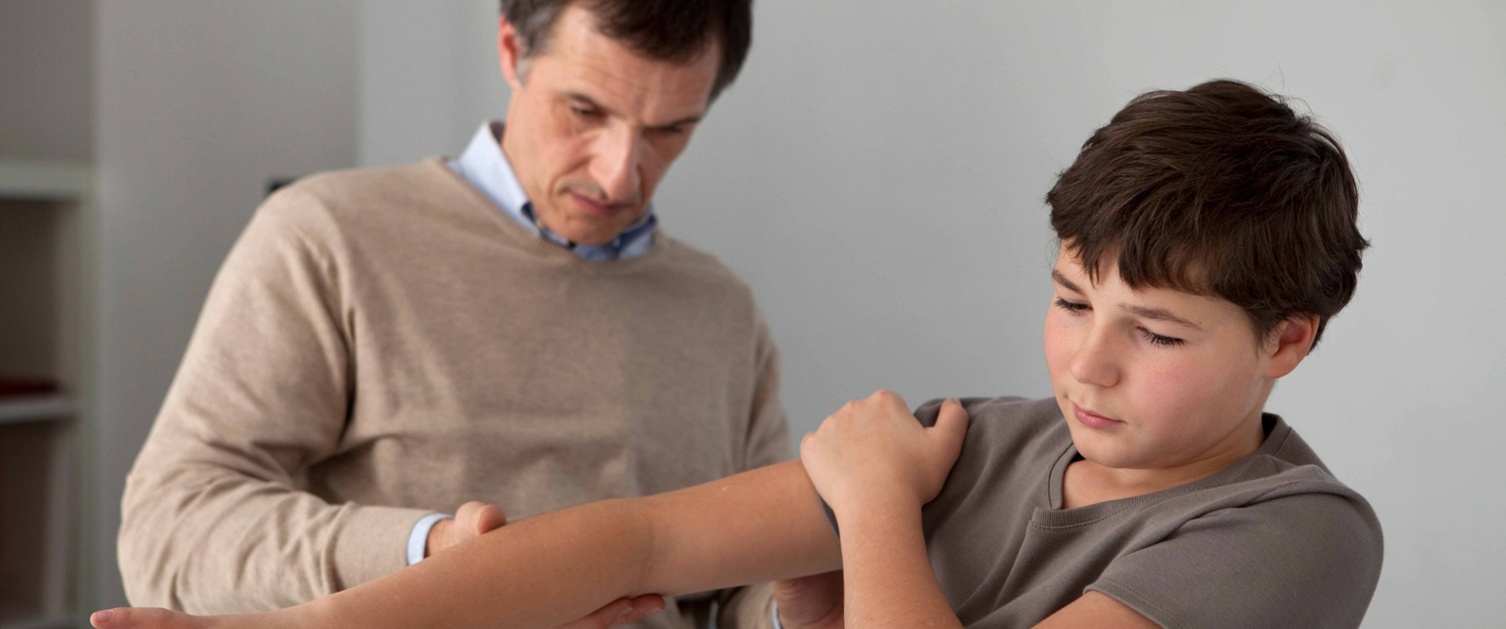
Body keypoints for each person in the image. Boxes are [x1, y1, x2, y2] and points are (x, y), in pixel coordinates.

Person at [97, 78, 1383, 629]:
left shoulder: (1298, 530)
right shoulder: (980, 438)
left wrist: (875, 502)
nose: (1086, 366)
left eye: (1154, 332)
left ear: (1287, 340)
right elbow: (636, 538)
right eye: (1068, 300)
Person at [116, 1, 791, 627]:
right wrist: (429, 556)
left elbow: (749, 587)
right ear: (510, 48)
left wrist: (804, 605)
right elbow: (169, 529)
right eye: (584, 110)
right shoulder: (326, 237)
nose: (620, 175)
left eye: (669, 130)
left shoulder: (722, 309)